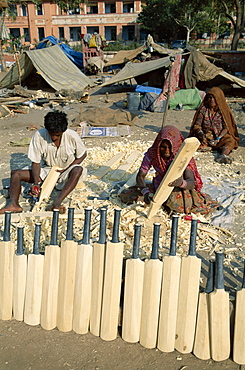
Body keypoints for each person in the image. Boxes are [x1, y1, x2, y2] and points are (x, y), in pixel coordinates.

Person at [0, 110, 87, 214]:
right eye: (51, 134)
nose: (54, 138)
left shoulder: (72, 135)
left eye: (57, 135)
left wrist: (67, 169)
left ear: (63, 131)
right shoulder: (39, 135)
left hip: (67, 171)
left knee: (78, 169)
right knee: (16, 174)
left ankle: (57, 203)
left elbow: (82, 155)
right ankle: (13, 204)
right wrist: (36, 184)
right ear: (46, 129)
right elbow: (36, 162)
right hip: (48, 170)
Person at [120, 125, 219, 215]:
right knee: (126, 195)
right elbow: (141, 176)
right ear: (159, 145)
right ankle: (161, 204)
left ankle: (165, 205)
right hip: (159, 187)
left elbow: (191, 182)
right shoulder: (153, 154)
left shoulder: (183, 156)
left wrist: (181, 183)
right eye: (163, 147)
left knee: (178, 206)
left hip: (178, 189)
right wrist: (145, 192)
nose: (167, 151)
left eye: (169, 147)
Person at [189, 86, 239, 164]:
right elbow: (197, 125)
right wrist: (201, 134)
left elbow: (226, 128)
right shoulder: (203, 110)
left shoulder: (222, 111)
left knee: (230, 140)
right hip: (205, 137)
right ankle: (206, 146)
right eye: (210, 98)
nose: (211, 100)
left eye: (214, 98)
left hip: (219, 138)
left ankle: (223, 155)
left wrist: (218, 138)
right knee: (192, 140)